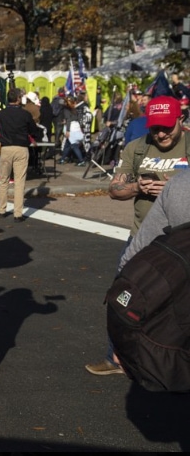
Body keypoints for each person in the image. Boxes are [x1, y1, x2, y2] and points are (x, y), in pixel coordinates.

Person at [85, 95, 190, 375]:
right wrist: (139, 188)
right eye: (155, 127)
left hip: (183, 245)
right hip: (143, 240)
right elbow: (114, 190)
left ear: (180, 120)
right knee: (122, 296)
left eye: (167, 127)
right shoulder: (137, 147)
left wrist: (174, 187)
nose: (161, 133)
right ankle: (115, 358)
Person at [0, 88, 41, 221]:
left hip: (6, 148)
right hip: (21, 147)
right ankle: (18, 213)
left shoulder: (1, 114)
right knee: (19, 182)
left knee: (4, 180)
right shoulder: (25, 114)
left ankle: (1, 209)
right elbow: (34, 130)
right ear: (19, 99)